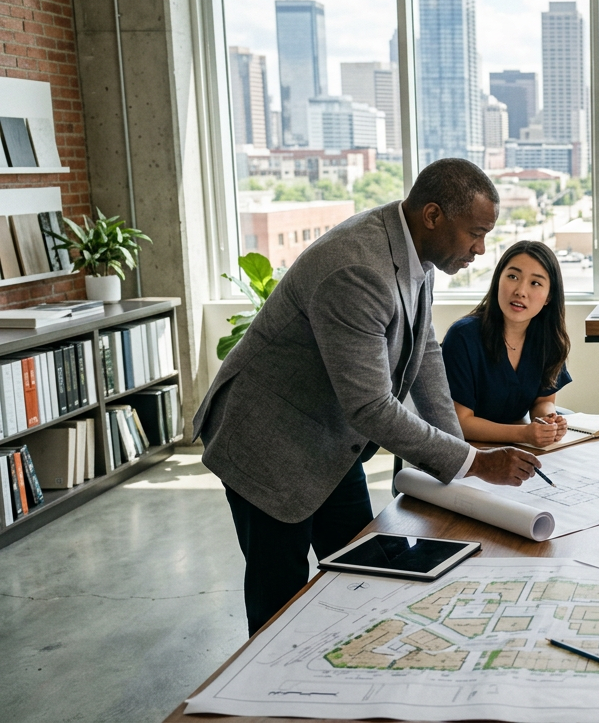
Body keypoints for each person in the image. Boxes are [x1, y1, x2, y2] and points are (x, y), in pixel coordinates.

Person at [193, 158, 542, 635]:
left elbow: (425, 352)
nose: (481, 250)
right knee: (281, 602)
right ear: (434, 216)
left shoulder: (419, 250)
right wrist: (475, 463)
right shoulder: (358, 269)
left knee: (366, 566)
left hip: (331, 440)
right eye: (475, 234)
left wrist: (458, 454)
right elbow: (372, 406)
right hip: (267, 444)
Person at [442, 240, 572, 446]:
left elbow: (544, 400)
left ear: (549, 297)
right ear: (497, 281)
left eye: (535, 283)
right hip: (467, 451)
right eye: (513, 277)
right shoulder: (463, 337)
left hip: (516, 449)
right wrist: (524, 434)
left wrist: (548, 420)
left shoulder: (548, 339)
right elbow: (460, 422)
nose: (521, 290)